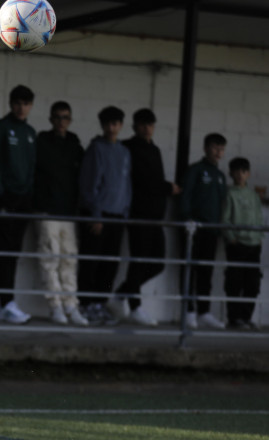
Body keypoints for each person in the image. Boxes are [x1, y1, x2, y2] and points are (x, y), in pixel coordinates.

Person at [105, 109, 180, 326]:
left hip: (155, 215)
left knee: (157, 262)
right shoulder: (129, 148)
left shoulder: (154, 149)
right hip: (138, 212)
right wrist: (168, 188)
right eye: (142, 124)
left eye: (150, 124)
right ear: (135, 126)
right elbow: (143, 180)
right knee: (138, 260)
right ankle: (135, 307)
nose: (147, 128)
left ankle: (121, 295)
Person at [0, 84, 36, 325]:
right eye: (18, 103)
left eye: (26, 103)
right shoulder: (0, 129)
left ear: (30, 106)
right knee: (4, 250)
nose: (21, 108)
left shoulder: (30, 132)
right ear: (11, 103)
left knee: (13, 251)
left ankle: (7, 303)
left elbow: (32, 168)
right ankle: (5, 303)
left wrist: (28, 196)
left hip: (23, 202)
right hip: (3, 201)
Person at [33, 101, 88, 326]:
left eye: (65, 117)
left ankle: (70, 305)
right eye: (57, 117)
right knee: (50, 259)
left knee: (69, 260)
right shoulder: (42, 142)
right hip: (47, 210)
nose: (61, 122)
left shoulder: (74, 144)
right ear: (51, 119)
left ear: (70, 120)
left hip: (68, 212)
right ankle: (55, 306)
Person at [77, 106, 132, 325]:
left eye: (116, 123)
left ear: (120, 125)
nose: (112, 127)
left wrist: (125, 212)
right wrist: (95, 214)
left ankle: (101, 302)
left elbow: (126, 184)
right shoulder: (96, 149)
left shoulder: (124, 152)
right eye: (108, 123)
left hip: (117, 216)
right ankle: (86, 304)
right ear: (102, 125)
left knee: (110, 263)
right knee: (91, 261)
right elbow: (88, 184)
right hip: (98, 215)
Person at [179, 133, 228, 330]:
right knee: (189, 270)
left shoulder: (221, 176)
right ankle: (189, 311)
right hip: (194, 230)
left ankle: (204, 312)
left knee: (206, 272)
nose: (218, 152)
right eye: (215, 147)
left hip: (212, 231)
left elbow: (222, 204)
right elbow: (185, 197)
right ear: (206, 148)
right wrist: (186, 219)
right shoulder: (195, 170)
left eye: (222, 149)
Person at [222, 157, 263, 330]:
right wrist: (231, 238)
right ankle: (234, 318)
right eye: (237, 171)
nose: (240, 174)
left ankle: (246, 317)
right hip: (237, 243)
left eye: (244, 171)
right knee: (235, 281)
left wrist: (259, 236)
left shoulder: (253, 195)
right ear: (231, 173)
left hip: (254, 244)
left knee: (252, 283)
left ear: (248, 174)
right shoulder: (229, 193)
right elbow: (224, 219)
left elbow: (259, 216)